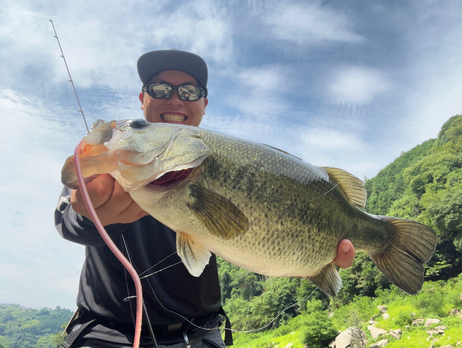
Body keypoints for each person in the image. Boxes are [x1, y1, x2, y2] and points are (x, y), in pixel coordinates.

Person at [55, 50, 356, 348]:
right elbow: (71, 221)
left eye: (189, 91)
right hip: (108, 336)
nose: (175, 99)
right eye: (160, 88)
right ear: (142, 98)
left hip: (202, 336)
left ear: (204, 103)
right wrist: (89, 214)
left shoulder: (220, 160)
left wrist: (301, 255)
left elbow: (247, 235)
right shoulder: (109, 163)